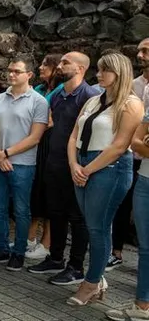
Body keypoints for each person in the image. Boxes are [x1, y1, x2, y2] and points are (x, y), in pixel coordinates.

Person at [65, 52, 143, 306]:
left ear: (118, 73)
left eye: (103, 70)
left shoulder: (130, 104)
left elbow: (120, 146)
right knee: (94, 225)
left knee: (97, 227)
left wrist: (86, 170)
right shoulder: (94, 100)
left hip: (110, 168)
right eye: (97, 70)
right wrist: (75, 164)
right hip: (83, 162)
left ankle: (91, 282)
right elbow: (74, 134)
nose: (97, 75)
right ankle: (97, 278)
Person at [27, 52, 97, 285]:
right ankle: (55, 258)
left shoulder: (90, 96)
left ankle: (76, 267)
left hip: (77, 166)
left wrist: (80, 165)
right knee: (55, 212)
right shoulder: (59, 95)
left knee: (77, 217)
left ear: (80, 69)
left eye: (66, 62)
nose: (60, 65)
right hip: (54, 162)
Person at [0, 58, 48, 271]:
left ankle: (18, 252)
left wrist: (5, 154)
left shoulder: (38, 102)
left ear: (29, 75)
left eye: (17, 71)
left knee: (21, 210)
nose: (11, 75)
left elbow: (35, 137)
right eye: (10, 71)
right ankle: (1, 249)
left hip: (23, 165)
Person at [109, 37, 149, 270]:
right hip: (130, 154)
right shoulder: (133, 85)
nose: (140, 55)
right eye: (139, 51)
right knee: (122, 204)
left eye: (145, 51)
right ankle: (116, 251)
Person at [106, 110, 149, 321]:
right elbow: (136, 144)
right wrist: (144, 143)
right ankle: (142, 306)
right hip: (145, 181)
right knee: (146, 248)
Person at [27, 53, 63, 260]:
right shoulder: (40, 89)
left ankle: (46, 242)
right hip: (37, 143)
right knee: (36, 191)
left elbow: (51, 119)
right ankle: (30, 237)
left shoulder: (59, 91)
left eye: (45, 65)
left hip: (50, 143)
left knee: (50, 193)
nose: (41, 67)